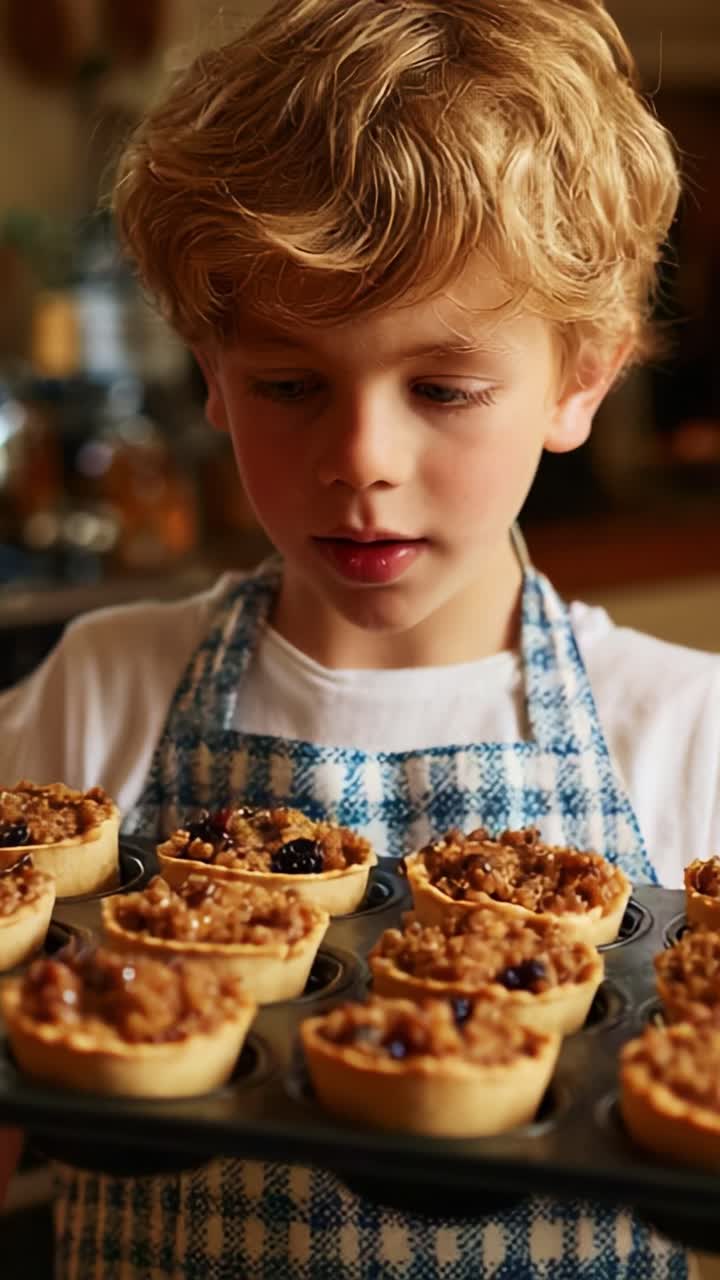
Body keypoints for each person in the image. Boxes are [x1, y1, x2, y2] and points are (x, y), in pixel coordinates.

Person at [1, 0, 719, 1275]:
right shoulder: (103, 693)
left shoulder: (687, 732)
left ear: (582, 377)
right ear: (211, 370)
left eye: (442, 388)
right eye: (291, 383)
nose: (361, 460)